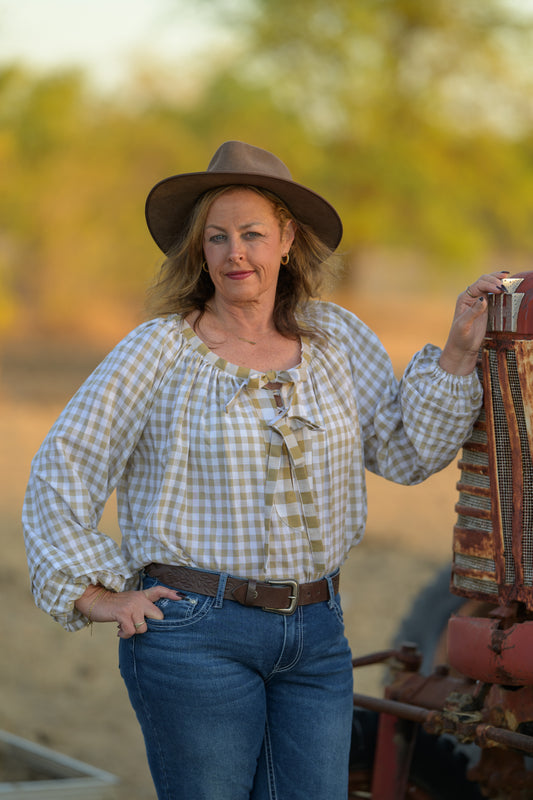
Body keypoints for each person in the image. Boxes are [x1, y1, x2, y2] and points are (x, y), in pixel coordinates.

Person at [22, 140, 507, 800]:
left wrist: (456, 351)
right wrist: (98, 593)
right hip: (194, 635)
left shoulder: (335, 341)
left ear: (286, 239)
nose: (234, 254)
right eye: (216, 237)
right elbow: (64, 466)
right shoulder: (161, 349)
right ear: (199, 251)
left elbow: (406, 453)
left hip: (315, 635)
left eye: (251, 233)